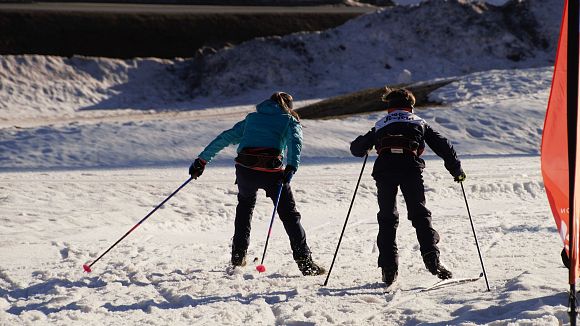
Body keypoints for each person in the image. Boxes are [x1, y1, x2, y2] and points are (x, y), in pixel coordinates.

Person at [189, 91, 325, 276]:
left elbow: (226, 137)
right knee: (289, 216)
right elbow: (296, 142)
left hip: (246, 170)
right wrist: (291, 166)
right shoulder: (289, 120)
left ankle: (238, 256)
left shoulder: (252, 119)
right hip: (272, 173)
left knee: (245, 208)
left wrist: (201, 161)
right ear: (289, 107)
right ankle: (305, 263)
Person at [349, 88, 466, 287]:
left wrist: (366, 146)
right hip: (410, 167)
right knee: (419, 214)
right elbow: (443, 146)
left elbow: (356, 149)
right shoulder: (419, 122)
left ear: (389, 106)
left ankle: (388, 269)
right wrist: (457, 171)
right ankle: (432, 260)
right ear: (410, 105)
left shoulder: (380, 124)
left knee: (387, 217)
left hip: (384, 169)